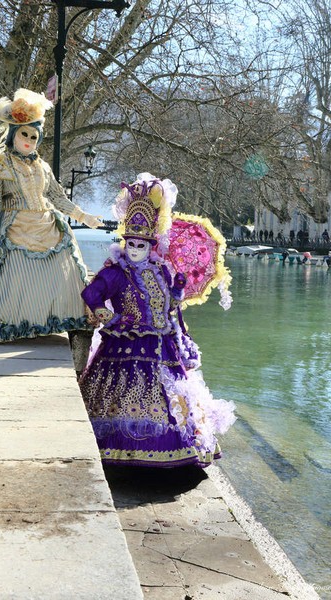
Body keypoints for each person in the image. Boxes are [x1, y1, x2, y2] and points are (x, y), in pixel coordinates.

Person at [78, 173, 236, 468]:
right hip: (123, 346)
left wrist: (176, 289)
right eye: (132, 243)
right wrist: (111, 320)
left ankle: (178, 451)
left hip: (162, 345)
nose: (136, 249)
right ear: (126, 242)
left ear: (151, 245)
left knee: (172, 400)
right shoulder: (115, 272)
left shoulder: (161, 270)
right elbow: (91, 293)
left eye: (142, 245)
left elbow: (169, 308)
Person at [0, 88, 101, 343]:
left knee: (59, 275)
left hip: (47, 224)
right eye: (25, 134)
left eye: (34, 135)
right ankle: (11, 325)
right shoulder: (1, 163)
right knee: (16, 278)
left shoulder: (42, 166)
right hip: (14, 226)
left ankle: (49, 321)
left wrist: (83, 216)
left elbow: (55, 195)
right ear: (12, 134)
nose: (30, 140)